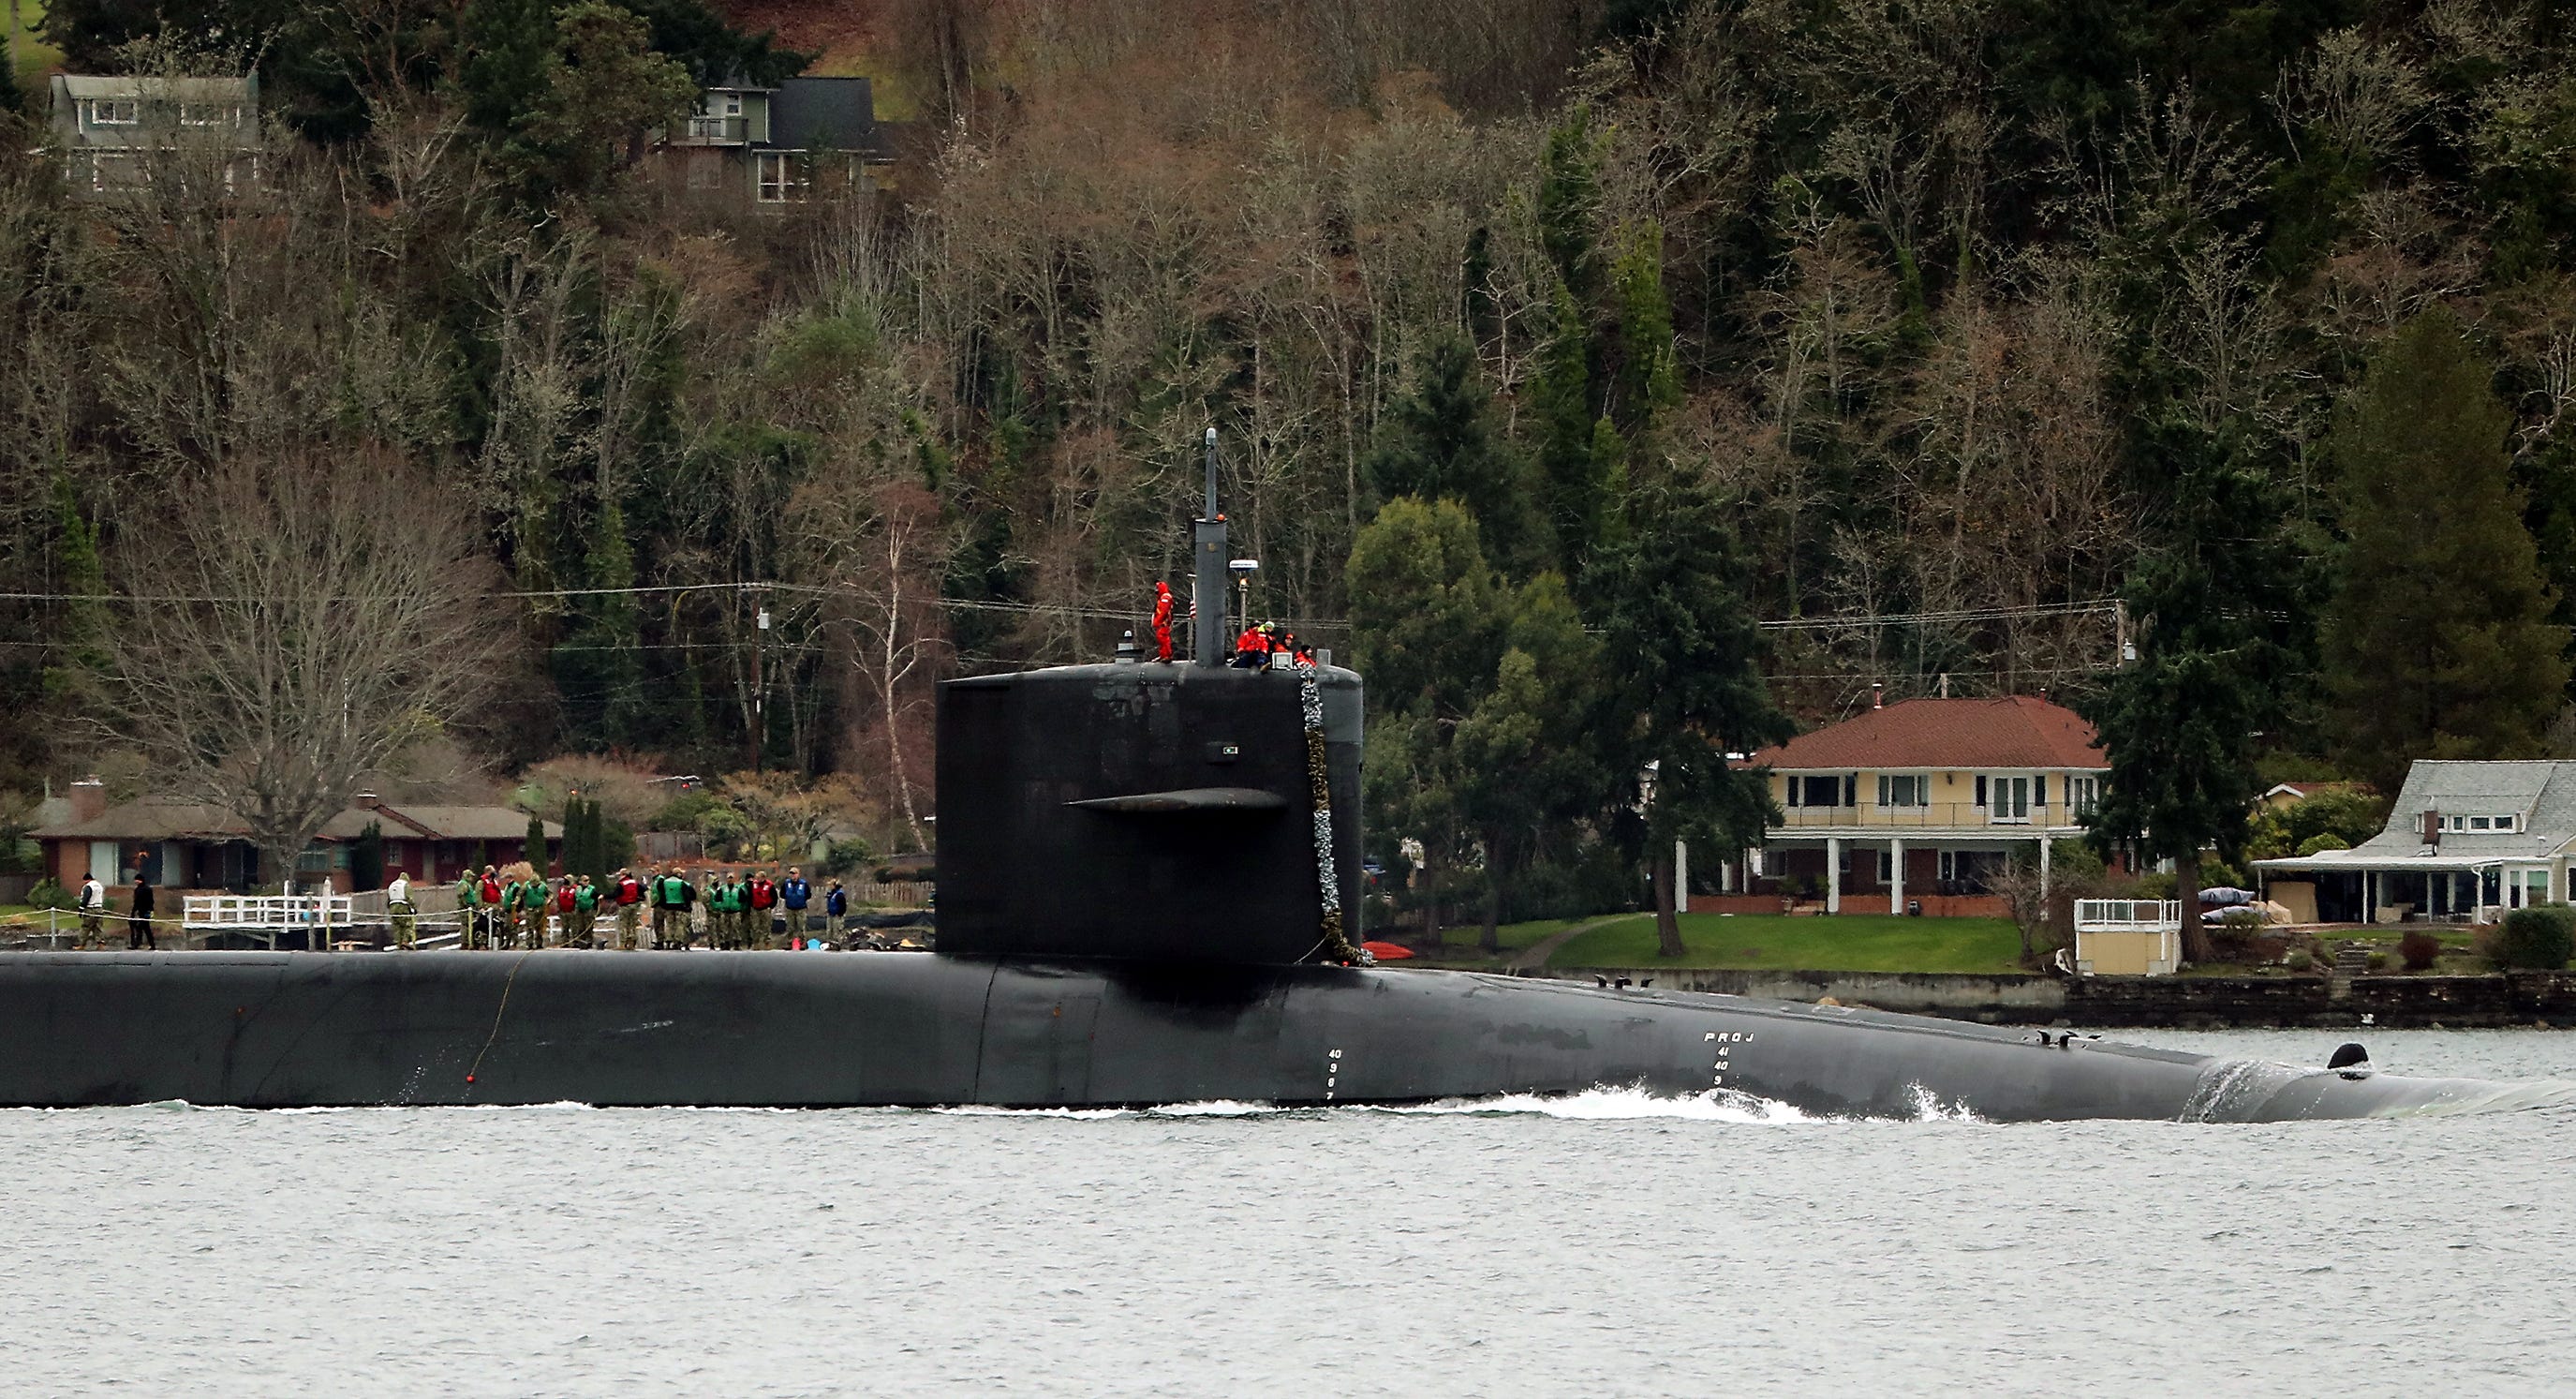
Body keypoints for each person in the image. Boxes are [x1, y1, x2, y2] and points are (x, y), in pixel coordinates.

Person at [652, 864, 688, 949]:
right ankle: (677, 942)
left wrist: (664, 903)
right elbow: (687, 895)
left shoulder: (665, 881)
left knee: (669, 924)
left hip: (668, 906)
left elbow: (662, 893)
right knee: (679, 924)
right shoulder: (681, 883)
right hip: (679, 905)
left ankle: (668, 941)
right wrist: (686, 906)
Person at [613, 867, 643, 951]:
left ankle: (623, 944)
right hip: (635, 906)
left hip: (625, 906)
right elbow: (643, 891)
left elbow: (615, 894)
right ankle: (632, 943)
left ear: (623, 875)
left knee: (623, 925)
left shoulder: (621, 884)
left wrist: (604, 896)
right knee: (632, 925)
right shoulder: (635, 882)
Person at [779, 867, 810, 946]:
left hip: (801, 908)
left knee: (801, 927)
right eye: (791, 874)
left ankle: (802, 943)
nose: (793, 875)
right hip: (790, 908)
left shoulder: (803, 884)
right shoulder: (786, 883)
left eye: (794, 873)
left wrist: (800, 900)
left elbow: (808, 895)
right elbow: (782, 894)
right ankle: (789, 942)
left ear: (798, 874)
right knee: (790, 927)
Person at [748, 870, 779, 949]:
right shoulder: (753, 884)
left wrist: (771, 906)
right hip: (755, 909)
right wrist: (751, 905)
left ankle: (767, 942)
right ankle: (756, 943)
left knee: (766, 926)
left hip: (765, 908)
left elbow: (775, 897)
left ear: (763, 878)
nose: (757, 879)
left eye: (759, 877)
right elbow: (750, 895)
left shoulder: (770, 885)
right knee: (755, 927)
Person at [454, 868, 482, 950]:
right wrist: (466, 905)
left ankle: (469, 941)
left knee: (469, 925)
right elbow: (461, 895)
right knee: (465, 925)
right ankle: (465, 942)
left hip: (470, 907)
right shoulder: (463, 884)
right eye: (471, 877)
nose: (472, 879)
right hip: (465, 908)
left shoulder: (467, 884)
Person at [128, 870, 156, 951]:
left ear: (139, 880)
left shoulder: (139, 890)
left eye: (136, 880)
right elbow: (151, 901)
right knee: (141, 928)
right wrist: (151, 910)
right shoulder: (148, 889)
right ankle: (141, 944)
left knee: (144, 928)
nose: (135, 881)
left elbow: (137, 902)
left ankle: (139, 944)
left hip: (142, 911)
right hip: (147, 911)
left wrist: (133, 912)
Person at [387, 869, 415, 950]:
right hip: (402, 906)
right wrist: (414, 908)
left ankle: (398, 944)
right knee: (407, 924)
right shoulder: (405, 885)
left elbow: (388, 899)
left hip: (392, 907)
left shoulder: (391, 885)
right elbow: (409, 898)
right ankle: (405, 941)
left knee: (397, 927)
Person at [78, 872, 107, 949]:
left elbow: (85, 898)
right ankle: (101, 944)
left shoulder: (88, 886)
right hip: (99, 909)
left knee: (86, 927)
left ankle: (82, 945)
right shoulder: (99, 886)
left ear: (86, 880)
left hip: (90, 909)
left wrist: (81, 909)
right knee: (98, 927)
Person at [1150, 580, 1176, 662]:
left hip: (1164, 623)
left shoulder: (1165, 597)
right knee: (1160, 638)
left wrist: (1157, 621)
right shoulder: (1162, 598)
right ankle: (1163, 655)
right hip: (1162, 623)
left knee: (1163, 637)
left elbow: (1164, 611)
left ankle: (1167, 655)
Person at [824, 878, 848, 943]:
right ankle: (829, 942)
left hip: (837, 916)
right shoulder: (831, 893)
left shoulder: (839, 894)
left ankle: (838, 943)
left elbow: (843, 905)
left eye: (831, 885)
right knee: (829, 931)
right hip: (831, 914)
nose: (829, 887)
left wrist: (840, 914)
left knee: (837, 931)